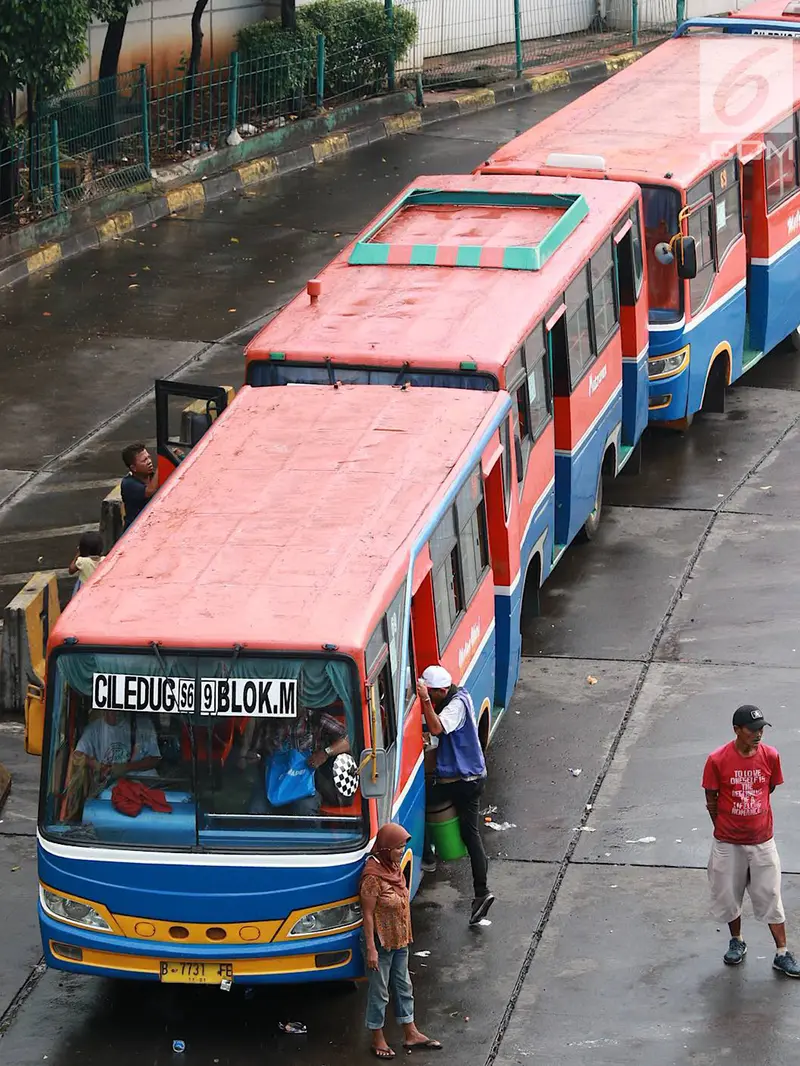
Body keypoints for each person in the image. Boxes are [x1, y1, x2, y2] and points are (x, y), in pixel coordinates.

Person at [702, 704, 800, 977]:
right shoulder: (717, 759)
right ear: (737, 730)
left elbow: (768, 788)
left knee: (770, 895)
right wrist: (724, 826)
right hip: (727, 842)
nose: (758, 735)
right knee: (728, 895)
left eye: (761, 730)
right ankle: (737, 941)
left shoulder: (770, 756)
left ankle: (782, 953)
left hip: (761, 840)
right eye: (753, 730)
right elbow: (711, 798)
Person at [417, 664, 494, 926]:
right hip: (469, 777)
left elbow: (437, 728)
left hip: (463, 781)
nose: (427, 696)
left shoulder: (455, 706)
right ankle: (481, 892)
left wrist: (426, 701)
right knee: (469, 834)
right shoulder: (457, 695)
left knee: (421, 801)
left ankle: (427, 858)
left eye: (430, 693)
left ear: (439, 691)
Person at [360, 822, 441, 1059]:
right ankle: (377, 1038)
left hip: (400, 940)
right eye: (397, 848)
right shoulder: (373, 878)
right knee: (380, 992)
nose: (400, 852)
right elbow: (367, 915)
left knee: (404, 987)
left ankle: (411, 1032)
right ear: (385, 849)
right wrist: (371, 949)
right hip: (381, 944)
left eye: (403, 847)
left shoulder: (393, 869)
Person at [245, 706, 350, 816]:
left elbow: (349, 740)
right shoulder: (267, 724)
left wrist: (326, 752)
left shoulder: (316, 719)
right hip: (273, 783)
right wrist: (254, 758)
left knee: (305, 810)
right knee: (256, 810)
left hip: (306, 783)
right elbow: (255, 752)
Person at [60, 710, 162, 822]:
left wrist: (126, 767)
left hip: (145, 786)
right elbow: (77, 755)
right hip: (109, 790)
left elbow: (155, 759)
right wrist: (97, 765)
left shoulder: (144, 725)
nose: (114, 712)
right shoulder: (94, 729)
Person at [120, 443, 159, 531]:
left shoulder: (153, 477)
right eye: (144, 460)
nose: (149, 461)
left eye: (149, 457)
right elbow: (150, 491)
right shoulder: (128, 484)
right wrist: (163, 463)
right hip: (136, 530)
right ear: (133, 468)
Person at [68, 531, 105, 598]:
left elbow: (71, 570)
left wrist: (78, 554)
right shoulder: (104, 560)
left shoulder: (82, 562)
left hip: (83, 591)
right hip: (99, 589)